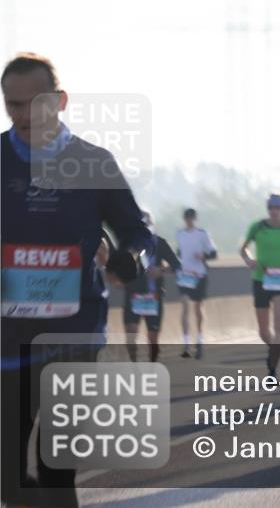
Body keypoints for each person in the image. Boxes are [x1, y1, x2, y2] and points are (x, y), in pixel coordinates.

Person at [1, 53, 153, 507]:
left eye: (36, 104)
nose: (25, 116)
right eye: (13, 105)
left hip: (76, 328)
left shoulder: (93, 161)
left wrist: (132, 257)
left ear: (61, 101)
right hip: (8, 335)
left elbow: (137, 231)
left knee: (56, 464)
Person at [241, 193, 280, 378]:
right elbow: (244, 249)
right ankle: (273, 352)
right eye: (271, 208)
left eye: (278, 208)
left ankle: (272, 368)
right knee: (263, 331)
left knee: (279, 325)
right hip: (261, 279)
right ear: (268, 209)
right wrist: (249, 260)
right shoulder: (257, 227)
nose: (274, 211)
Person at [121, 211, 182, 362]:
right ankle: (133, 364)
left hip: (153, 297)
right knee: (130, 333)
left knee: (152, 337)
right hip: (133, 296)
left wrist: (160, 271)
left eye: (147, 224)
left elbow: (177, 266)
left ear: (152, 225)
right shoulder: (128, 244)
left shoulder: (160, 243)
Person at [175, 208, 217, 359]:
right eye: (187, 218)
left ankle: (199, 340)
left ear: (195, 219)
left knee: (198, 309)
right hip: (184, 275)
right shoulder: (180, 234)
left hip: (199, 275)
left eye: (192, 218)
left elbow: (213, 253)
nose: (189, 221)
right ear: (184, 219)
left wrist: (203, 255)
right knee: (185, 306)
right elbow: (179, 252)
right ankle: (186, 343)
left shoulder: (203, 234)